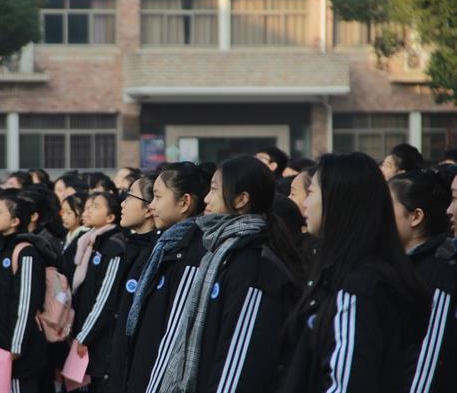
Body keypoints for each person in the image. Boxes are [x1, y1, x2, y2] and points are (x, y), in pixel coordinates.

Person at [280, 152, 430, 393]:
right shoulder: (340, 273)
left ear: (338, 200)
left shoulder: (358, 287)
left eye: (311, 192)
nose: (305, 204)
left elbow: (347, 382)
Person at [159, 156, 302, 393]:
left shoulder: (255, 265)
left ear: (241, 199)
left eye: (214, 190)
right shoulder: (219, 253)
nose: (206, 199)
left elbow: (240, 361)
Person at [125, 162, 212, 393]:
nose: (152, 205)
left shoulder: (193, 252)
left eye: (157, 196)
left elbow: (175, 336)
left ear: (184, 202)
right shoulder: (166, 244)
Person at [0, 193, 54, 393]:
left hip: (17, 347)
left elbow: (26, 302)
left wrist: (16, 344)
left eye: (0, 212)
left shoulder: (26, 252)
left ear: (15, 221)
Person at [389, 169, 456, 392]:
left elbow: (427, 359)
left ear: (416, 217)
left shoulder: (437, 273)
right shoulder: (398, 267)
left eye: (386, 208)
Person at [108, 174, 159, 393]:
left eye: (130, 197)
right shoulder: (125, 245)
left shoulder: (157, 253)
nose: (122, 204)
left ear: (149, 209)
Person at [71, 192, 126, 392]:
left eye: (95, 206)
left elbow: (105, 299)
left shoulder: (113, 247)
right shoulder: (89, 242)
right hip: (84, 331)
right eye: (88, 206)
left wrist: (85, 335)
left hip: (99, 338)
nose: (88, 211)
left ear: (110, 217)